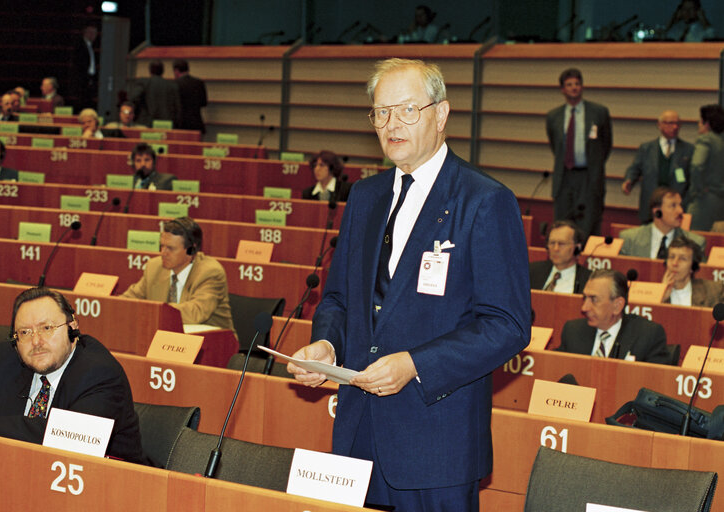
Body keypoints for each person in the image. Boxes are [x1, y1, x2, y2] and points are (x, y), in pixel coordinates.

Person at [287, 58, 530, 511]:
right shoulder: (365, 195)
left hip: (436, 443)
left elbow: (507, 324)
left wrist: (416, 364)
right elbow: (339, 298)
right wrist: (327, 346)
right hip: (359, 433)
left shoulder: (485, 201)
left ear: (441, 115)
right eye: (381, 113)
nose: (391, 124)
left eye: (406, 111)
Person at [0, 287, 146, 464]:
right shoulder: (5, 360)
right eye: (25, 332)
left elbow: (70, 437)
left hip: (112, 486)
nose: (36, 341)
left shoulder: (99, 372)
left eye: (46, 328)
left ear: (72, 328)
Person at [121, 217, 235, 331]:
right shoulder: (154, 267)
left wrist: (153, 311)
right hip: (168, 340)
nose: (163, 253)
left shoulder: (210, 272)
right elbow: (129, 299)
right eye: (162, 246)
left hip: (215, 342)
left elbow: (196, 312)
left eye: (170, 248)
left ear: (191, 250)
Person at [546, 68, 612, 236]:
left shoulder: (599, 112)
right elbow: (556, 146)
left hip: (589, 177)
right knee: (562, 225)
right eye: (569, 84)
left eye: (577, 84)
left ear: (582, 87)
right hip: (565, 177)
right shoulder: (553, 116)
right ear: (562, 89)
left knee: (588, 225)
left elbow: (606, 144)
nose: (574, 87)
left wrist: (595, 163)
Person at [557, 270, 671, 364]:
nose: (584, 308)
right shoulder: (572, 331)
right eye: (585, 298)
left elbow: (655, 384)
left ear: (617, 305)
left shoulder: (647, 335)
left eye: (594, 299)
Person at [622, 110, 695, 222]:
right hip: (651, 204)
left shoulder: (688, 150)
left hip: (677, 206)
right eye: (670, 123)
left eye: (678, 123)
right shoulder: (646, 148)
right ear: (660, 125)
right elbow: (635, 168)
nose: (675, 127)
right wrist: (629, 180)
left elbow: (693, 179)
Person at [619, 187, 705, 259]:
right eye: (673, 206)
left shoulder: (695, 244)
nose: (680, 211)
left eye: (680, 205)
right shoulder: (630, 239)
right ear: (657, 212)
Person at [687, 104, 724, 231]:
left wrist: (699, 189)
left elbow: (697, 165)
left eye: (700, 121)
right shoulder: (721, 141)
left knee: (695, 238)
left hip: (704, 200)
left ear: (706, 123)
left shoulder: (705, 140)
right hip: (720, 199)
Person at [529, 219, 591, 294]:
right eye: (552, 243)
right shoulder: (532, 271)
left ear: (577, 247)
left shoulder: (589, 279)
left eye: (562, 244)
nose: (556, 249)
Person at [662, 237, 724, 307]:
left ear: (692, 266)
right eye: (672, 257)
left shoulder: (713, 291)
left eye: (682, 258)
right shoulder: (655, 293)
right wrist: (661, 298)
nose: (675, 263)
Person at [131, 60, 181, 128]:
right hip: (166, 125)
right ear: (163, 71)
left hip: (145, 124)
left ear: (150, 70)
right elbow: (177, 108)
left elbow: (133, 99)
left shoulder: (143, 83)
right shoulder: (172, 86)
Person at [173, 59, 207, 133]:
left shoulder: (175, 84)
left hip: (181, 125)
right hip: (196, 123)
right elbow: (204, 103)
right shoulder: (199, 83)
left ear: (176, 71)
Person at [70, 24, 99, 110]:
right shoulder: (80, 45)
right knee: (81, 102)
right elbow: (79, 65)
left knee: (88, 102)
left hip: (88, 79)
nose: (94, 36)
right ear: (87, 33)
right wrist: (86, 79)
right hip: (82, 80)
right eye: (92, 33)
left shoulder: (90, 46)